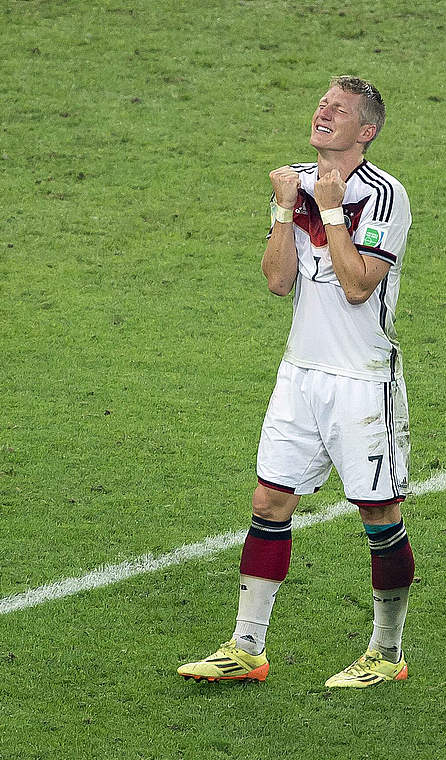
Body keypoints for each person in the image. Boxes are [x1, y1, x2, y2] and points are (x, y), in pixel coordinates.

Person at [177, 76, 415, 688]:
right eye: (321, 104)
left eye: (339, 109)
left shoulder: (385, 197)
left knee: (378, 513)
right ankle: (247, 647)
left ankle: (387, 654)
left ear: (365, 131)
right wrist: (286, 209)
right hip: (299, 375)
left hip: (362, 382)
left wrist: (331, 210)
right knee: (269, 502)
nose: (323, 112)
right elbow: (278, 281)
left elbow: (360, 285)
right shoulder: (292, 180)